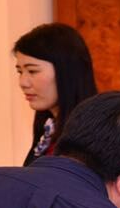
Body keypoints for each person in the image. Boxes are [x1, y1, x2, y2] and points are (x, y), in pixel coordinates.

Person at [13, 22, 98, 165]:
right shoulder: (49, 129)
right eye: (20, 72)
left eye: (32, 71)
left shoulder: (93, 136)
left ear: (66, 71)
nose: (23, 83)